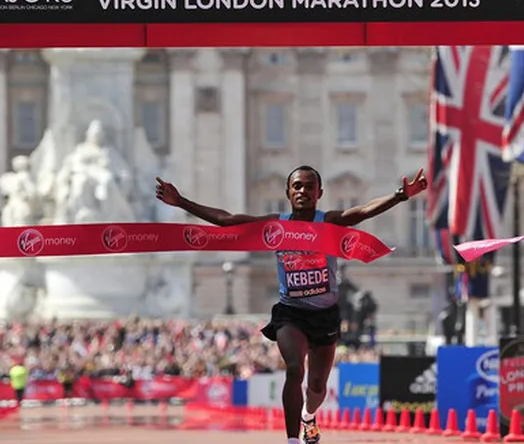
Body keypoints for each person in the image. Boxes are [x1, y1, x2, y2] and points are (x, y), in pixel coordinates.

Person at [155, 165, 427, 444]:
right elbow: (228, 221)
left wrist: (401, 195)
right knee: (295, 368)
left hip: (325, 315)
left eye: (309, 187)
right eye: (297, 186)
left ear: (319, 193)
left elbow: (364, 211)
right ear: (288, 192)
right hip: (291, 313)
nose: (303, 191)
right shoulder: (277, 225)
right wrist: (181, 202)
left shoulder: (328, 222)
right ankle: (292, 439)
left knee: (317, 386)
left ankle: (309, 416)